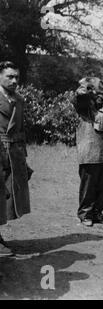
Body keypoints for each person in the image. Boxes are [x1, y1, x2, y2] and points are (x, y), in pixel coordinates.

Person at [73, 77, 103, 227]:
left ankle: (97, 213)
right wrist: (89, 90)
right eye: (100, 84)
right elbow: (80, 97)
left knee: (102, 184)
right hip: (90, 150)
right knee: (89, 184)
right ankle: (85, 214)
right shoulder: (85, 103)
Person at [0, 61, 32, 257]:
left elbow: (20, 130)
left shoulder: (18, 100)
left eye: (16, 77)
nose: (14, 80)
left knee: (6, 197)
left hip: (12, 153)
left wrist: (23, 158)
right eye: (9, 76)